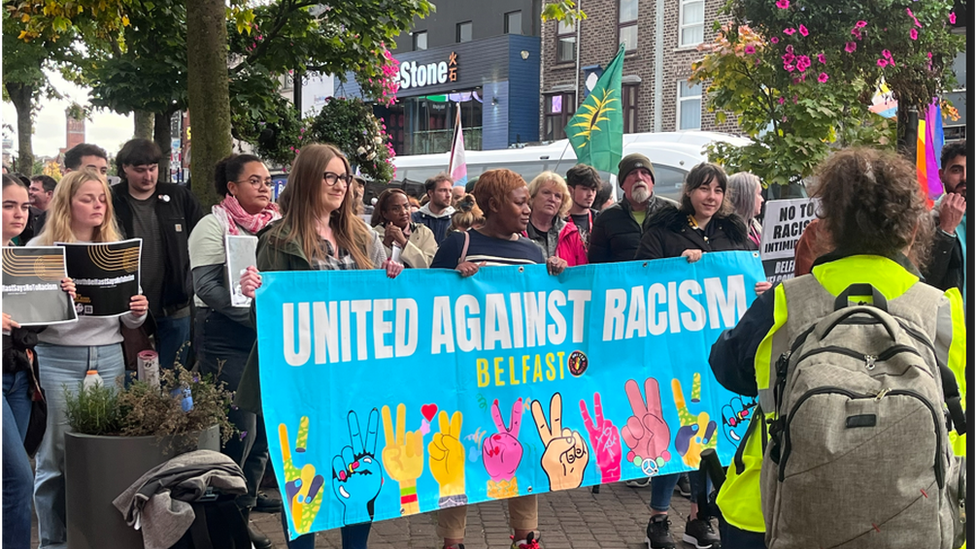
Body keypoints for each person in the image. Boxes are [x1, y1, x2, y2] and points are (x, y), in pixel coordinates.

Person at [708, 147, 966, 548]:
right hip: (915, 518)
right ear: (913, 229)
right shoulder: (944, 311)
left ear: (828, 227)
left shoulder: (783, 302)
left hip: (771, 511)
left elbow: (728, 368)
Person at [236, 143, 404, 549]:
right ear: (308, 179)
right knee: (305, 475)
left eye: (344, 177)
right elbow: (269, 324)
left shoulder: (362, 236)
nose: (340, 185)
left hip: (356, 379)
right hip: (304, 384)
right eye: (330, 176)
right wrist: (255, 295)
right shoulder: (278, 240)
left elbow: (387, 301)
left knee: (361, 466)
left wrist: (393, 273)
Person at [634, 162, 769, 549]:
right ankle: (659, 518)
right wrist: (679, 268)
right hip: (676, 352)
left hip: (720, 353)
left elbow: (744, 276)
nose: (711, 198)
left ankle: (699, 515)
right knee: (675, 431)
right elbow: (642, 277)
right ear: (689, 191)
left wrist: (759, 287)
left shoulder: (733, 233)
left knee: (711, 434)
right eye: (704, 189)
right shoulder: (664, 230)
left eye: (718, 191)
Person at [430, 169, 565, 549]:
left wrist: (555, 274)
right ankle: (452, 540)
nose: (529, 209)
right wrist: (452, 278)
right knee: (459, 453)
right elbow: (429, 303)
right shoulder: (459, 243)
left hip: (516, 378)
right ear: (492, 206)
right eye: (520, 202)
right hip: (467, 377)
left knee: (524, 450)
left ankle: (526, 536)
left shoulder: (531, 251)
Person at [28, 169, 149, 549]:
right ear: (67, 204)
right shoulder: (39, 250)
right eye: (87, 199)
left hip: (109, 354)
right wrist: (56, 296)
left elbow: (129, 317)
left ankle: (98, 536)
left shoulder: (116, 247)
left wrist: (138, 311)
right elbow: (28, 319)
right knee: (55, 456)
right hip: (57, 357)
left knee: (103, 450)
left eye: (102, 199)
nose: (97, 205)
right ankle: (54, 542)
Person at [187, 153, 281, 549]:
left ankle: (241, 517)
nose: (264, 187)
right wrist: (259, 318)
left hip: (264, 334)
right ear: (231, 187)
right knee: (239, 432)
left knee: (262, 438)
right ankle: (221, 526)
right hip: (226, 335)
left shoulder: (276, 226)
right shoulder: (211, 226)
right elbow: (209, 289)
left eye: (266, 181)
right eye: (254, 181)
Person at [1, 174, 75, 548]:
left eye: (24, 206)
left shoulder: (21, 254)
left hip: (18, 377)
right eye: (8, 205)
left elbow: (32, 324)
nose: (19, 214)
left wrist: (60, 297)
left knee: (10, 476)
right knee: (17, 478)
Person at [112, 138, 203, 370]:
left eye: (152, 169)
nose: (148, 176)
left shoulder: (179, 197)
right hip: (128, 307)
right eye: (140, 170)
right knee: (132, 376)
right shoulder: (112, 200)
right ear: (124, 168)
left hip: (174, 304)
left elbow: (201, 238)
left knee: (174, 376)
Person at [589, 153, 679, 264]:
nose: (639, 178)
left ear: (652, 181)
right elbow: (597, 264)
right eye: (632, 173)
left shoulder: (673, 211)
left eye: (645, 172)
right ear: (622, 184)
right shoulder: (606, 218)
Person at [927, 140, 966, 303]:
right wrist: (946, 230)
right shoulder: (929, 220)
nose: (965, 177)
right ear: (942, 175)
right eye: (957, 170)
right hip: (953, 324)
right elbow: (928, 281)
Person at [371, 187, 438, 268]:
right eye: (395, 209)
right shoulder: (374, 234)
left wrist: (404, 242)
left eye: (406, 206)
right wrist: (386, 243)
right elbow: (372, 266)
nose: (403, 212)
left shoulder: (424, 232)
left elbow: (428, 265)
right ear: (385, 213)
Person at [525, 171, 571, 258]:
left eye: (557, 196)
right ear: (532, 196)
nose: (552, 199)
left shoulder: (571, 234)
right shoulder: (518, 232)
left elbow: (581, 268)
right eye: (546, 193)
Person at [413, 172, 456, 245]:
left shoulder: (456, 219)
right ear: (430, 193)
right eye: (443, 190)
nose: (448, 195)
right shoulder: (415, 218)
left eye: (450, 191)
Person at [727, 172, 764, 247]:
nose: (762, 199)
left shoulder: (754, 225)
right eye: (759, 194)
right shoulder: (728, 233)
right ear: (746, 196)